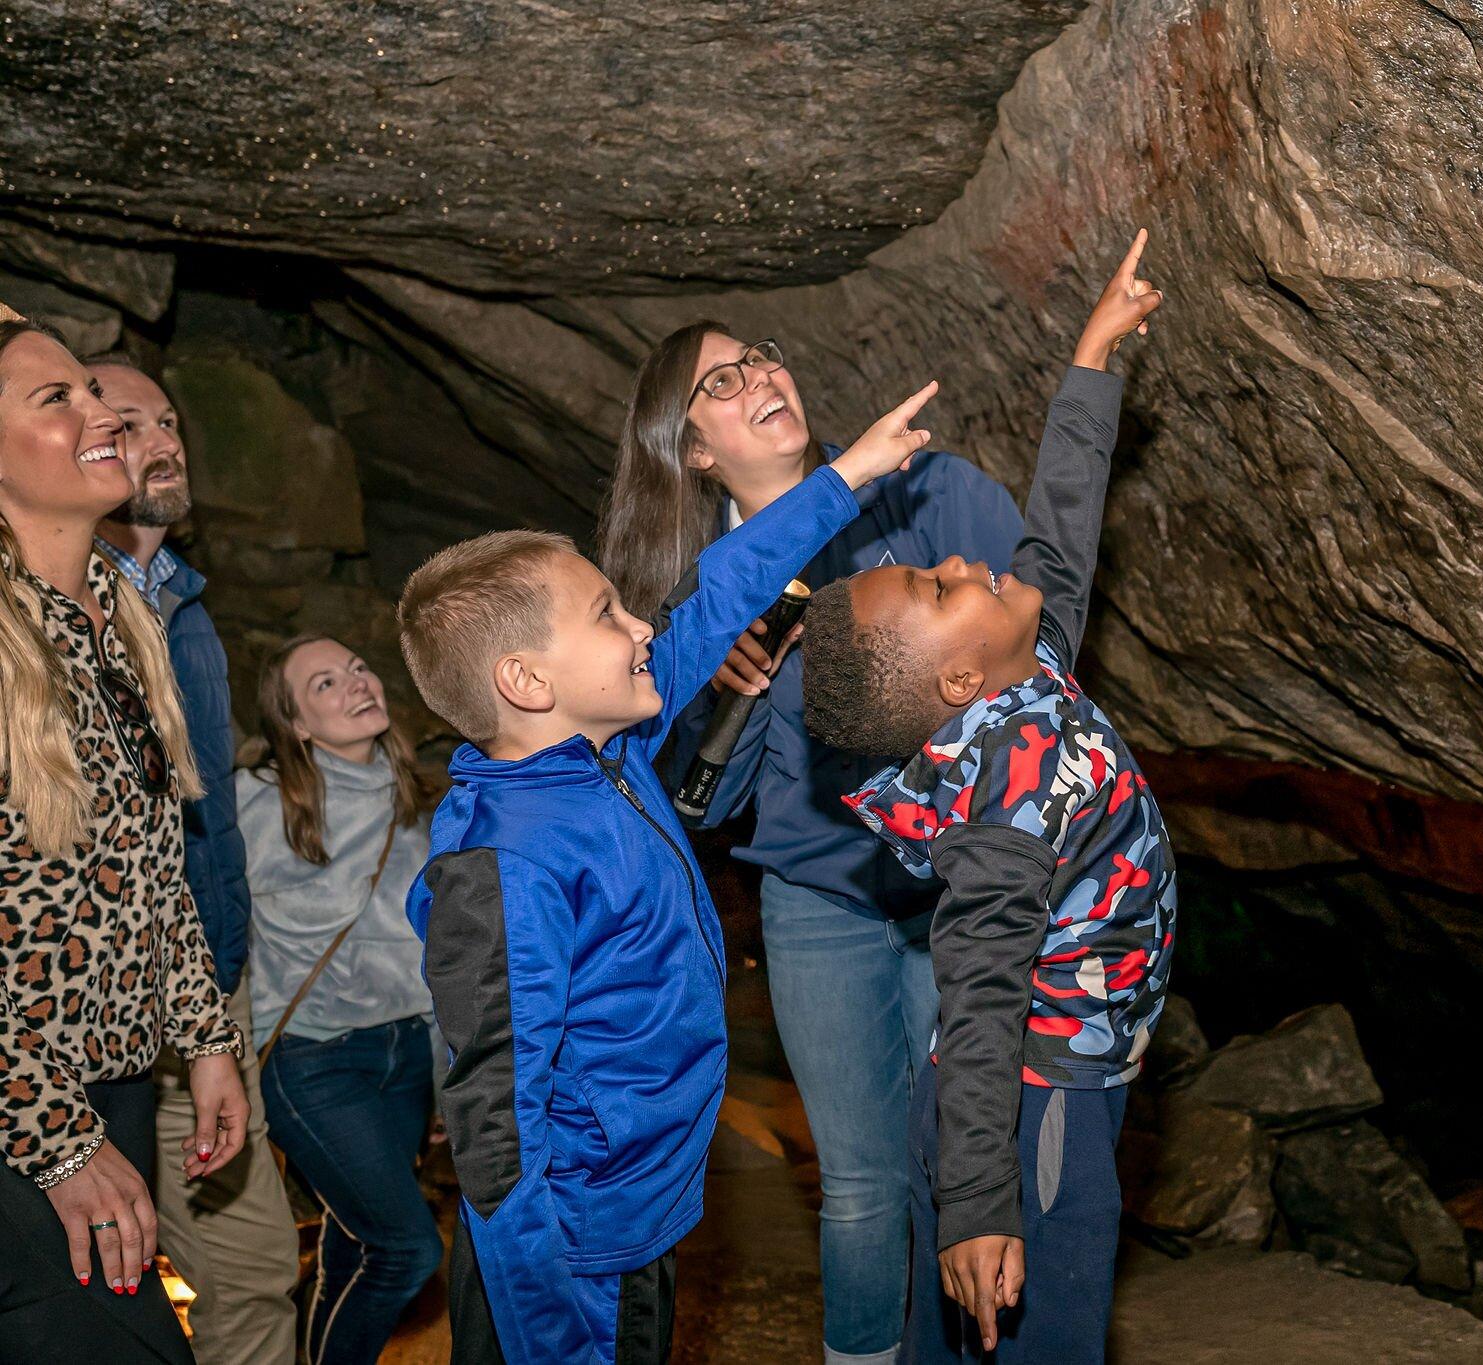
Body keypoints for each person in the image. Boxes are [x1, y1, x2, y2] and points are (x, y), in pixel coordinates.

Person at [398, 383, 941, 1365]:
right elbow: (496, 1143)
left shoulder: (609, 756)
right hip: (571, 1254)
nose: (641, 627)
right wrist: (554, 1342)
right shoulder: (504, 860)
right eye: (607, 616)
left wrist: (846, 477)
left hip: (631, 1209)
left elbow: (717, 591)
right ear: (526, 681)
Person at [596, 321, 1023, 1364]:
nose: (762, 379)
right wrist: (728, 698)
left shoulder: (934, 496)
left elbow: (1035, 662)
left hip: (949, 891)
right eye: (721, 382)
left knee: (962, 1167)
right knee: (861, 1187)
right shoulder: (707, 592)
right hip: (813, 900)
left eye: (764, 356)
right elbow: (695, 806)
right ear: (693, 451)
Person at [799, 234, 1170, 1364]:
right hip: (1031, 1111)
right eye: (935, 586)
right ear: (958, 684)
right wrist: (980, 1204)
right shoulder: (1000, 803)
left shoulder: (1022, 675)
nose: (962, 563)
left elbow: (1058, 534)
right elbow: (976, 1004)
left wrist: (1092, 364)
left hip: (1042, 1096)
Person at [0, 313, 248, 1364]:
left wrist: (204, 1041)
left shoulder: (119, 612)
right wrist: (55, 1145)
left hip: (108, 1087)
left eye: (90, 393)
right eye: (56, 399)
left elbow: (154, 867)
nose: (101, 414)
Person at [89, 354, 300, 1365]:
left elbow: (196, 833)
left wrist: (225, 995)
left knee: (256, 1272)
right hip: (85, 1033)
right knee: (94, 1298)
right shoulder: (53, 617)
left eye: (167, 420)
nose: (163, 440)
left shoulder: (189, 611)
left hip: (208, 993)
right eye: (126, 422)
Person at [239, 634, 437, 1364]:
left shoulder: (420, 796)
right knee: (406, 1248)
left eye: (358, 667)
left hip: (407, 1053)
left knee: (354, 1244)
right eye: (325, 683)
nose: (357, 683)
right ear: (295, 722)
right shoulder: (258, 799)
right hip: (312, 1058)